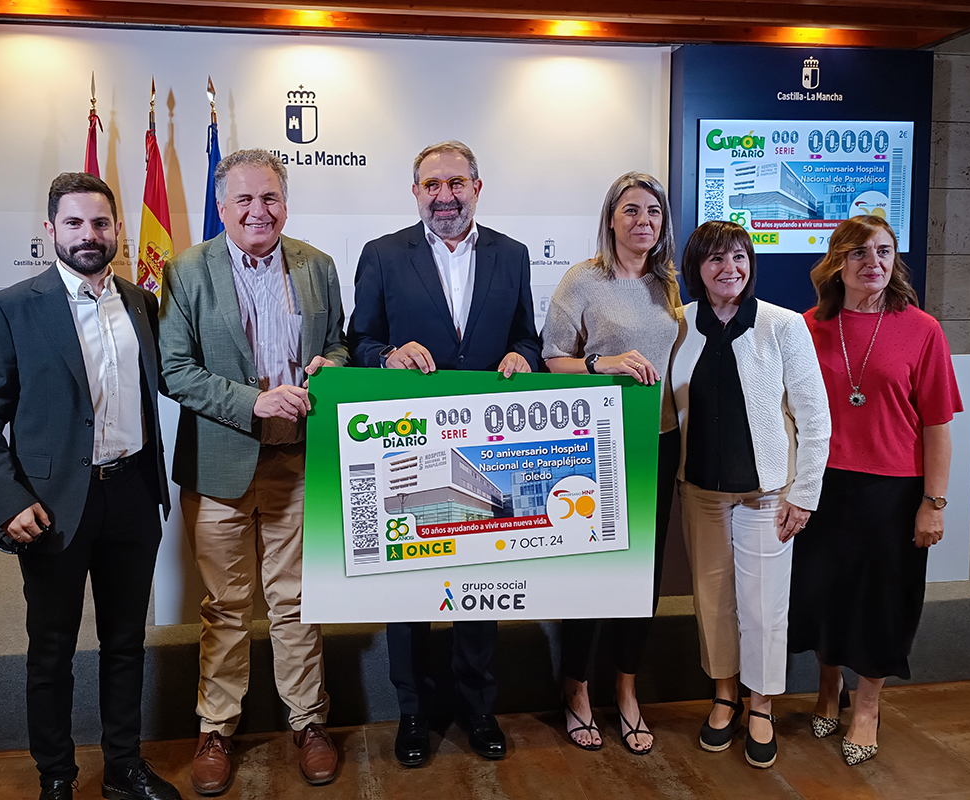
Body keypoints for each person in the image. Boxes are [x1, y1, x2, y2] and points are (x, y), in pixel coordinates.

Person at [0, 173, 180, 800]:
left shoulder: (140, 301)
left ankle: (123, 767)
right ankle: (55, 775)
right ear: (51, 229)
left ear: (117, 230)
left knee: (126, 642)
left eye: (101, 224)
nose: (90, 235)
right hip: (52, 507)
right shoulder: (11, 307)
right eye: (75, 224)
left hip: (133, 496)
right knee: (51, 649)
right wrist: (8, 500)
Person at [348, 139, 541, 766]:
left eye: (456, 183)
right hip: (408, 447)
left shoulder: (512, 256)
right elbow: (361, 342)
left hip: (489, 452)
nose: (445, 196)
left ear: (477, 188)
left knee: (477, 588)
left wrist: (525, 356)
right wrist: (388, 356)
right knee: (410, 587)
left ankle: (477, 707)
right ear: (415, 193)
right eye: (432, 185)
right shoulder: (382, 255)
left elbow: (526, 336)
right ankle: (412, 713)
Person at [158, 149, 347, 791]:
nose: (258, 210)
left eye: (269, 198)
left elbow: (338, 345)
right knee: (227, 606)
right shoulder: (186, 271)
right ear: (222, 206)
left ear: (284, 203)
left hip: (297, 461)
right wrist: (253, 401)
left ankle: (308, 721)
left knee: (298, 604)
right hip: (218, 467)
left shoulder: (317, 267)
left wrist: (331, 368)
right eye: (243, 199)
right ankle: (216, 729)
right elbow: (174, 370)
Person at [789, 214, 962, 766]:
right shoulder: (807, 325)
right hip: (822, 486)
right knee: (822, 594)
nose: (874, 263)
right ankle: (826, 688)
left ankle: (866, 707)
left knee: (882, 603)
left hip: (894, 491)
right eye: (860, 252)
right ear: (837, 262)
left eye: (884, 251)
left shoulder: (922, 329)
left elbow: (937, 427)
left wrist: (933, 504)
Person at [670, 220, 830, 768]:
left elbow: (815, 416)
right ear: (697, 269)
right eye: (715, 259)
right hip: (701, 493)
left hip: (767, 493)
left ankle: (760, 703)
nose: (729, 268)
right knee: (713, 603)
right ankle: (724, 696)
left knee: (764, 607)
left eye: (738, 256)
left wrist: (804, 493)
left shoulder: (782, 325)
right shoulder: (678, 324)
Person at [540, 172, 682, 755]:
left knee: (642, 578)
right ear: (611, 218)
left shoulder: (671, 284)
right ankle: (575, 689)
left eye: (652, 211)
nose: (642, 221)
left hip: (660, 442)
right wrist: (604, 364)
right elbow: (551, 359)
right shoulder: (584, 280)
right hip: (595, 445)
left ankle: (625, 689)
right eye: (630, 210)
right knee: (592, 573)